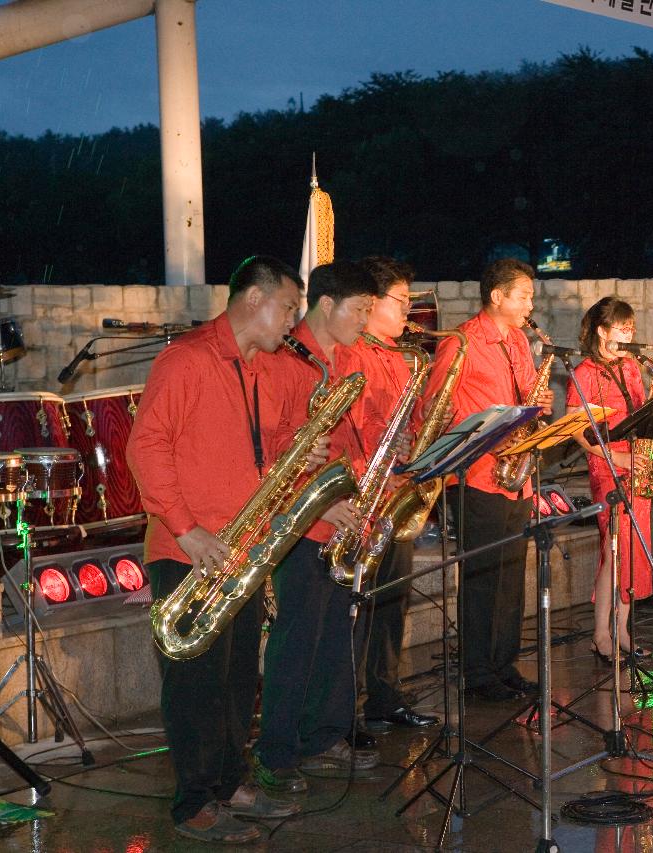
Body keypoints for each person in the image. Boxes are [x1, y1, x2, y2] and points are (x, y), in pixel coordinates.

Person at [127, 255, 310, 843]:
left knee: (236, 680)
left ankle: (229, 784)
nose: (293, 322)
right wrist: (184, 527)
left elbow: (272, 440)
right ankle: (194, 802)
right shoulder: (185, 360)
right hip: (191, 550)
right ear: (254, 299)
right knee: (196, 686)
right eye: (288, 307)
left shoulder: (266, 366)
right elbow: (146, 448)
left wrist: (298, 453)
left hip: (244, 547)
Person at [250, 261, 376, 793]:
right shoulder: (284, 363)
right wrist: (317, 506)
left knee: (330, 638)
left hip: (337, 517)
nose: (367, 321)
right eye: (361, 309)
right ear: (327, 305)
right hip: (300, 523)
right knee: (295, 640)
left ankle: (323, 736)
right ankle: (277, 752)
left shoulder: (342, 359)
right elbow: (271, 456)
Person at [421, 258, 554, 701]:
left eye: (530, 296)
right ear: (496, 296)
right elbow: (436, 408)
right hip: (477, 474)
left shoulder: (518, 340)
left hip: (516, 475)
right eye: (523, 296)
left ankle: (504, 663)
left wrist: (540, 404)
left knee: (511, 576)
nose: (529, 304)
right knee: (482, 577)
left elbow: (526, 394)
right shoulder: (461, 343)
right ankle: (477, 672)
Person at [346, 256, 439, 734]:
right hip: (364, 501)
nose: (409, 311)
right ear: (371, 302)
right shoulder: (352, 353)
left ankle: (384, 694)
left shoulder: (399, 356)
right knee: (357, 607)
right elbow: (350, 428)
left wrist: (416, 437)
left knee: (390, 603)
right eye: (401, 301)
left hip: (396, 498)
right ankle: (348, 709)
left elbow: (412, 420)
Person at [564, 297, 653, 661]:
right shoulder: (585, 372)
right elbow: (575, 430)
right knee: (612, 550)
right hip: (608, 465)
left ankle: (621, 630)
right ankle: (601, 634)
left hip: (636, 463)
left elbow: (642, 410)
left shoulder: (631, 365)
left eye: (631, 327)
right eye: (622, 327)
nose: (629, 334)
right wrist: (613, 455)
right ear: (602, 331)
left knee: (632, 553)